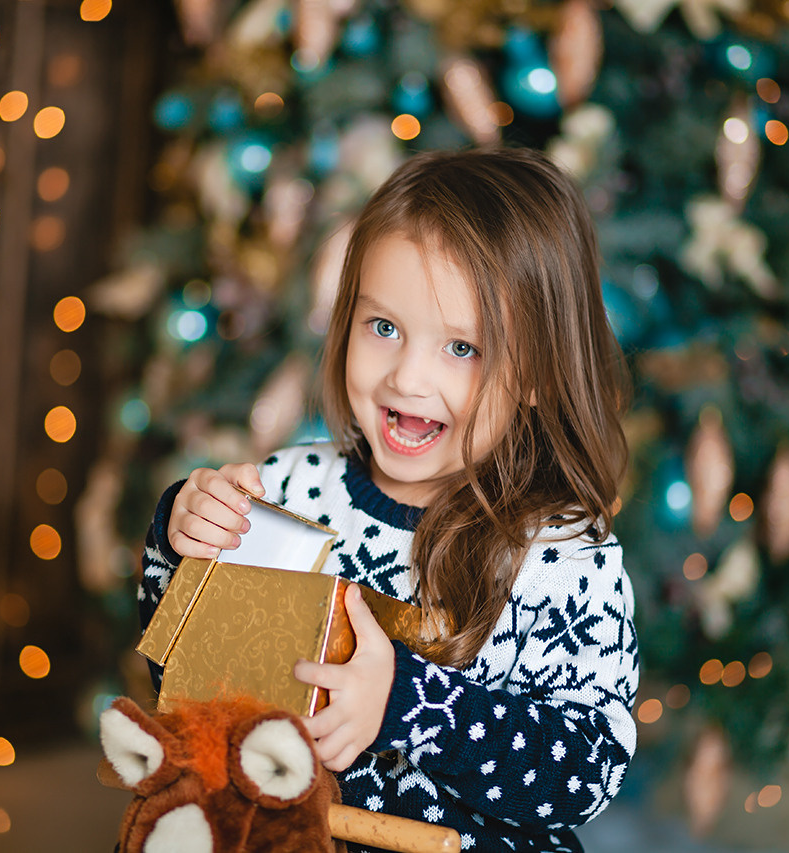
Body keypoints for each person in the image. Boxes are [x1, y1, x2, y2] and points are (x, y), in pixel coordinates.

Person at [138, 147, 638, 853]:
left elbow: (586, 769)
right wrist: (177, 538)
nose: (407, 377)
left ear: (535, 371)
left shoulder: (560, 555)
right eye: (384, 328)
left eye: (463, 348)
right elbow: (182, 686)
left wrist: (409, 704)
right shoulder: (288, 490)